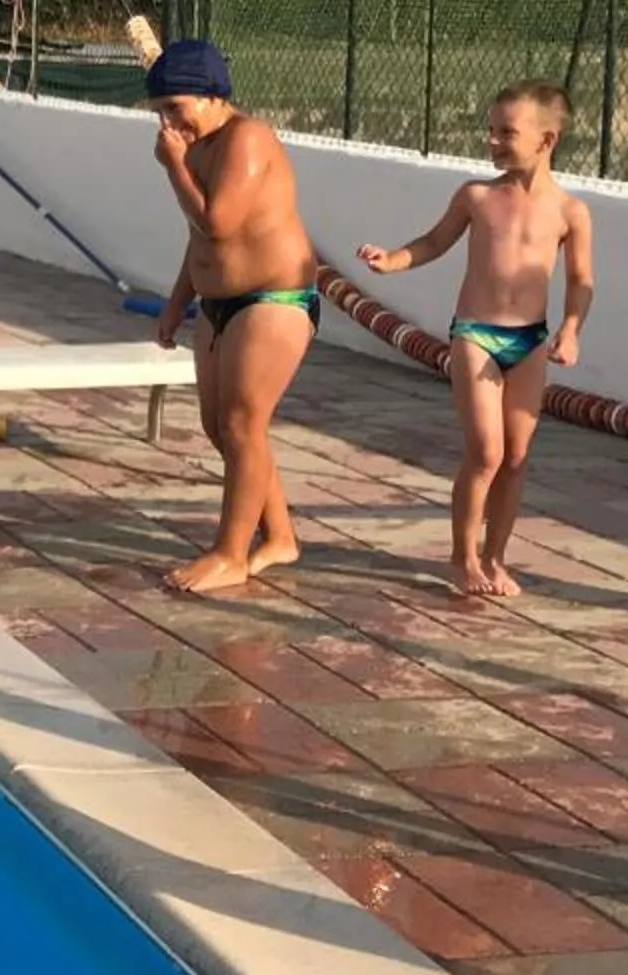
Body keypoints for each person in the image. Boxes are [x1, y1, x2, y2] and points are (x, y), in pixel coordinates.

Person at [357, 82, 597, 598]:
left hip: (529, 341)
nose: (491, 141)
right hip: (475, 335)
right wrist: (393, 259)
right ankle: (462, 557)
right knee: (486, 453)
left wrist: (571, 331)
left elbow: (581, 281)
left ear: (546, 139)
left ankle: (495, 557)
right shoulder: (477, 197)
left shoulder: (570, 212)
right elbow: (433, 242)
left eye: (506, 132)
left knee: (516, 458)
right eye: (489, 130)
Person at [147, 39, 318, 593]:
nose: (169, 122)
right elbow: (201, 243)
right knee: (221, 429)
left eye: (177, 108)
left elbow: (218, 223)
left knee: (245, 424)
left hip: (274, 299)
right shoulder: (198, 146)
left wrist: (174, 166)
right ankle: (282, 538)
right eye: (160, 111)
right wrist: (176, 305)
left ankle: (230, 553)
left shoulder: (248, 138)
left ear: (215, 96)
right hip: (219, 304)